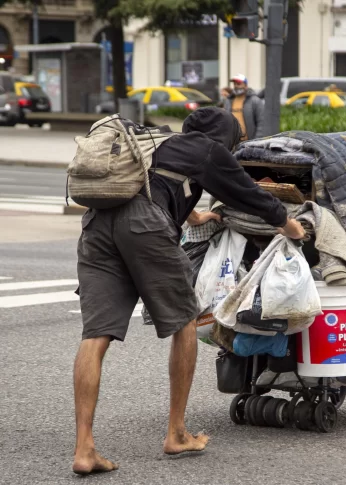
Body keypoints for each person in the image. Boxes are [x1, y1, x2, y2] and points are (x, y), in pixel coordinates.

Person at [72, 107, 305, 475]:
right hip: (144, 225)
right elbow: (250, 195)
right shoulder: (209, 149)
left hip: (97, 225)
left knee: (95, 335)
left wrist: (195, 216)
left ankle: (84, 449)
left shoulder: (163, 143)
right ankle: (177, 433)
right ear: (226, 137)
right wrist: (289, 226)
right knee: (185, 323)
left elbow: (159, 185)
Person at [223, 74, 264, 141]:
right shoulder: (229, 101)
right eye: (234, 84)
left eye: (239, 83)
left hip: (249, 142)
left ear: (246, 85)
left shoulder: (255, 101)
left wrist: (256, 141)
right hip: (233, 142)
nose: (236, 86)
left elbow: (261, 123)